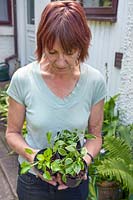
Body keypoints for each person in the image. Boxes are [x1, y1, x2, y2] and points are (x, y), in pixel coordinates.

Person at [6, 1, 106, 200]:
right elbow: (11, 133)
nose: (61, 62)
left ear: (82, 45)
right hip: (32, 182)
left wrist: (83, 162)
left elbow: (95, 135)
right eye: (52, 52)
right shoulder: (23, 78)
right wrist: (34, 156)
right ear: (42, 44)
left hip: (74, 182)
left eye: (69, 53)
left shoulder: (94, 82)